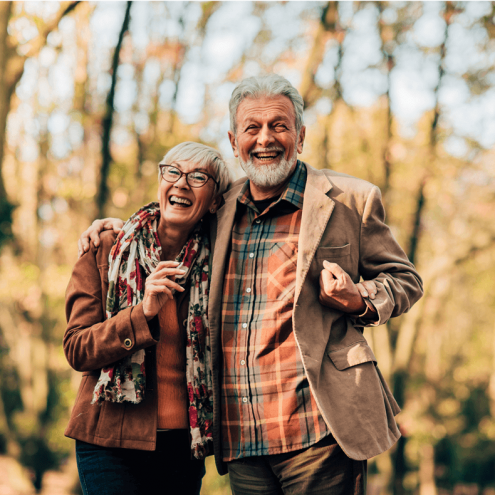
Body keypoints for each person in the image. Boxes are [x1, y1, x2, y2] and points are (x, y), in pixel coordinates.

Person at [78, 74, 423, 494]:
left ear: (301, 134)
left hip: (318, 428)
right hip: (241, 436)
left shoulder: (350, 199)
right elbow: (169, 218)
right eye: (252, 128)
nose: (265, 139)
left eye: (279, 125)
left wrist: (359, 299)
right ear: (233, 138)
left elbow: (405, 279)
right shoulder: (221, 208)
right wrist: (116, 228)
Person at [64, 142, 232, 495]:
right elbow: (77, 348)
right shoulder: (107, 248)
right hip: (109, 442)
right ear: (161, 180)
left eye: (199, 177)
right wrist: (142, 313)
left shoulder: (220, 265)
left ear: (215, 200)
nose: (182, 183)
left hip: (183, 449)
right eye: (173, 171)